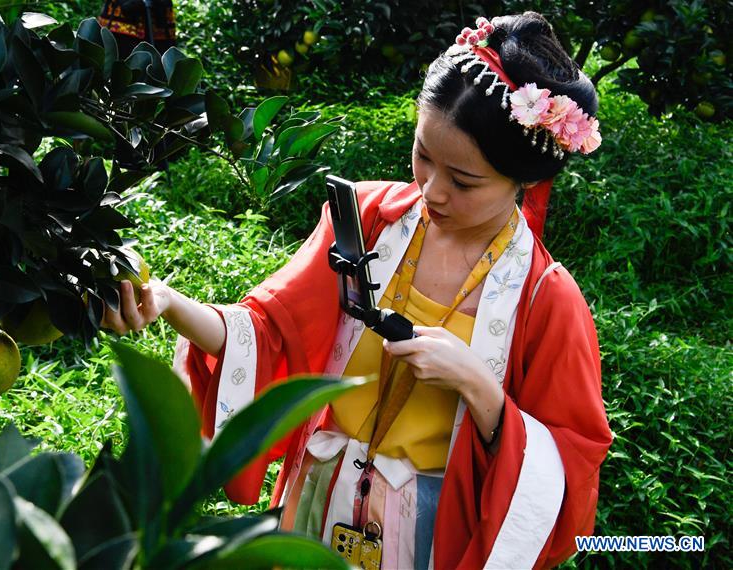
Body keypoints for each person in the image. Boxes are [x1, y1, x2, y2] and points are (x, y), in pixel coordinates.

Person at [101, 12, 612, 569]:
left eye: (463, 181)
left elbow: (570, 464)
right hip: (319, 503)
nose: (433, 191)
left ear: (527, 179)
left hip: (432, 537)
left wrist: (479, 388)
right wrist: (170, 302)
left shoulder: (546, 300)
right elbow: (268, 332)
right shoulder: (366, 221)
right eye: (422, 156)